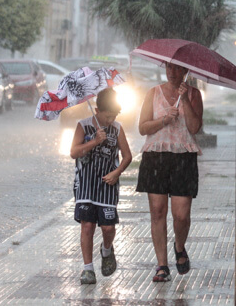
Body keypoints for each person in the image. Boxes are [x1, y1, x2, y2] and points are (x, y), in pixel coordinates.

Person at [136, 62, 203, 282]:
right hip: (156, 156)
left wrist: (184, 99)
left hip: (183, 156)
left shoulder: (193, 94)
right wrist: (164, 120)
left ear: (186, 71)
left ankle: (179, 246)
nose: (172, 73)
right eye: (169, 68)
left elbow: (194, 128)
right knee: (157, 212)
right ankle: (162, 265)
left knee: (181, 215)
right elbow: (143, 127)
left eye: (177, 69)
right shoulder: (153, 93)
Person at [70, 87, 132, 285]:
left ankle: (106, 250)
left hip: (107, 184)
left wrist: (117, 172)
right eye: (107, 116)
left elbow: (127, 156)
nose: (110, 120)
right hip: (86, 184)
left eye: (113, 116)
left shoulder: (117, 128)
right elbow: (74, 152)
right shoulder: (83, 125)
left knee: (107, 227)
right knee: (87, 226)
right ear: (97, 111)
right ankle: (88, 269)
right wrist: (94, 142)